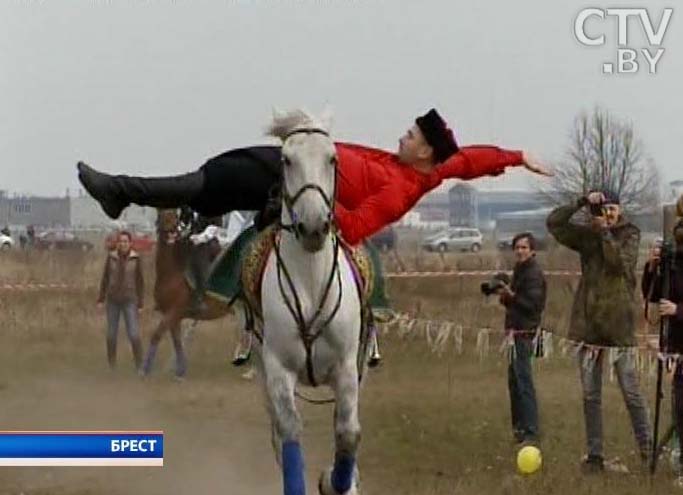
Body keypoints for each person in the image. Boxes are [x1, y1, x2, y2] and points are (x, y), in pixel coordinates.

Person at [76, 108, 552, 248]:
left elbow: (359, 225)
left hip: (296, 187)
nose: (400, 136)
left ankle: (119, 192)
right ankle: (136, 196)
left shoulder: (403, 189)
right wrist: (517, 156)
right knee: (215, 176)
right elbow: (471, 158)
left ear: (425, 150)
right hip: (298, 165)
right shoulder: (431, 165)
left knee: (209, 178)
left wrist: (311, 194)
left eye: (408, 134)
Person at [547, 190, 652, 473]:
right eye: (604, 209)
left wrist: (605, 233)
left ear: (620, 210)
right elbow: (554, 224)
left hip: (618, 325)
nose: (608, 213)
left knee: (630, 390)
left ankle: (647, 450)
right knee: (590, 394)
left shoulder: (630, 234)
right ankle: (595, 455)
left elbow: (618, 264)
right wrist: (580, 203)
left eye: (612, 208)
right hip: (589, 325)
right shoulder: (587, 236)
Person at [497, 232, 547, 446]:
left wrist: (512, 296)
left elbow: (533, 306)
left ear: (532, 250)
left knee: (524, 382)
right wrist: (506, 298)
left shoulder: (533, 273)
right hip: (513, 331)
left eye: (524, 247)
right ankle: (519, 429)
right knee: (514, 382)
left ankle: (531, 431)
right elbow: (516, 303)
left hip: (524, 333)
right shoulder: (519, 270)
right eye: (517, 247)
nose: (520, 251)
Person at [642, 229, 683, 485]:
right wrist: (653, 268)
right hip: (678, 346)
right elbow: (653, 295)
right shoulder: (674, 263)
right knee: (680, 406)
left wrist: (679, 310)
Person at [97, 230, 145, 371]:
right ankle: (112, 366)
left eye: (125, 241)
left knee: (134, 334)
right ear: (117, 243)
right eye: (121, 241)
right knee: (111, 335)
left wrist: (140, 304)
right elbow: (105, 279)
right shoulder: (111, 258)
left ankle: (139, 366)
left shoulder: (136, 259)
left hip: (130, 300)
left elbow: (140, 282)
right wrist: (101, 299)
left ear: (130, 243)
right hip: (113, 300)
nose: (123, 244)